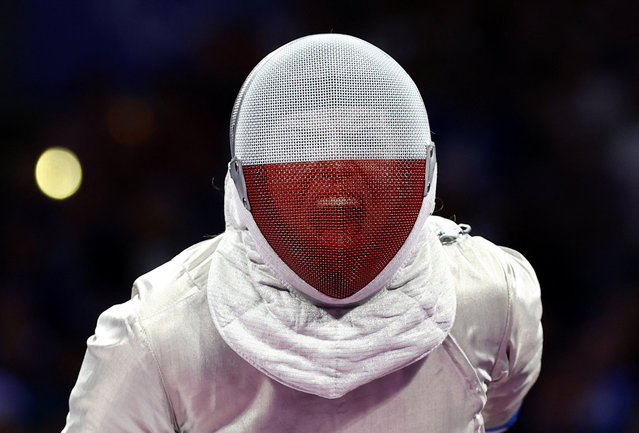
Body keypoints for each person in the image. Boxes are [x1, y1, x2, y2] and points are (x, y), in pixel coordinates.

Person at [62, 33, 542, 433]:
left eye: (361, 140)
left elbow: (500, 410)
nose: (335, 170)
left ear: (421, 173)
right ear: (246, 188)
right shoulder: (155, 337)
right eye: (303, 146)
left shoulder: (492, 295)